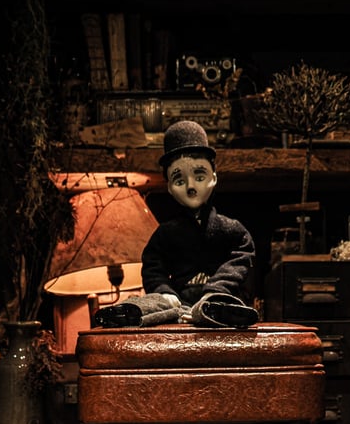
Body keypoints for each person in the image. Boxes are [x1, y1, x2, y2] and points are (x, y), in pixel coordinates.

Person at [95, 120, 258, 328]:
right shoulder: (167, 233)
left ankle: (218, 310)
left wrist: (217, 288)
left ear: (214, 177)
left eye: (200, 176)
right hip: (178, 302)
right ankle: (129, 313)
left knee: (217, 305)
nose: (191, 187)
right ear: (170, 188)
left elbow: (242, 256)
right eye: (180, 181)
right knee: (159, 305)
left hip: (218, 296)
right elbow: (153, 265)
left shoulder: (231, 229)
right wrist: (164, 291)